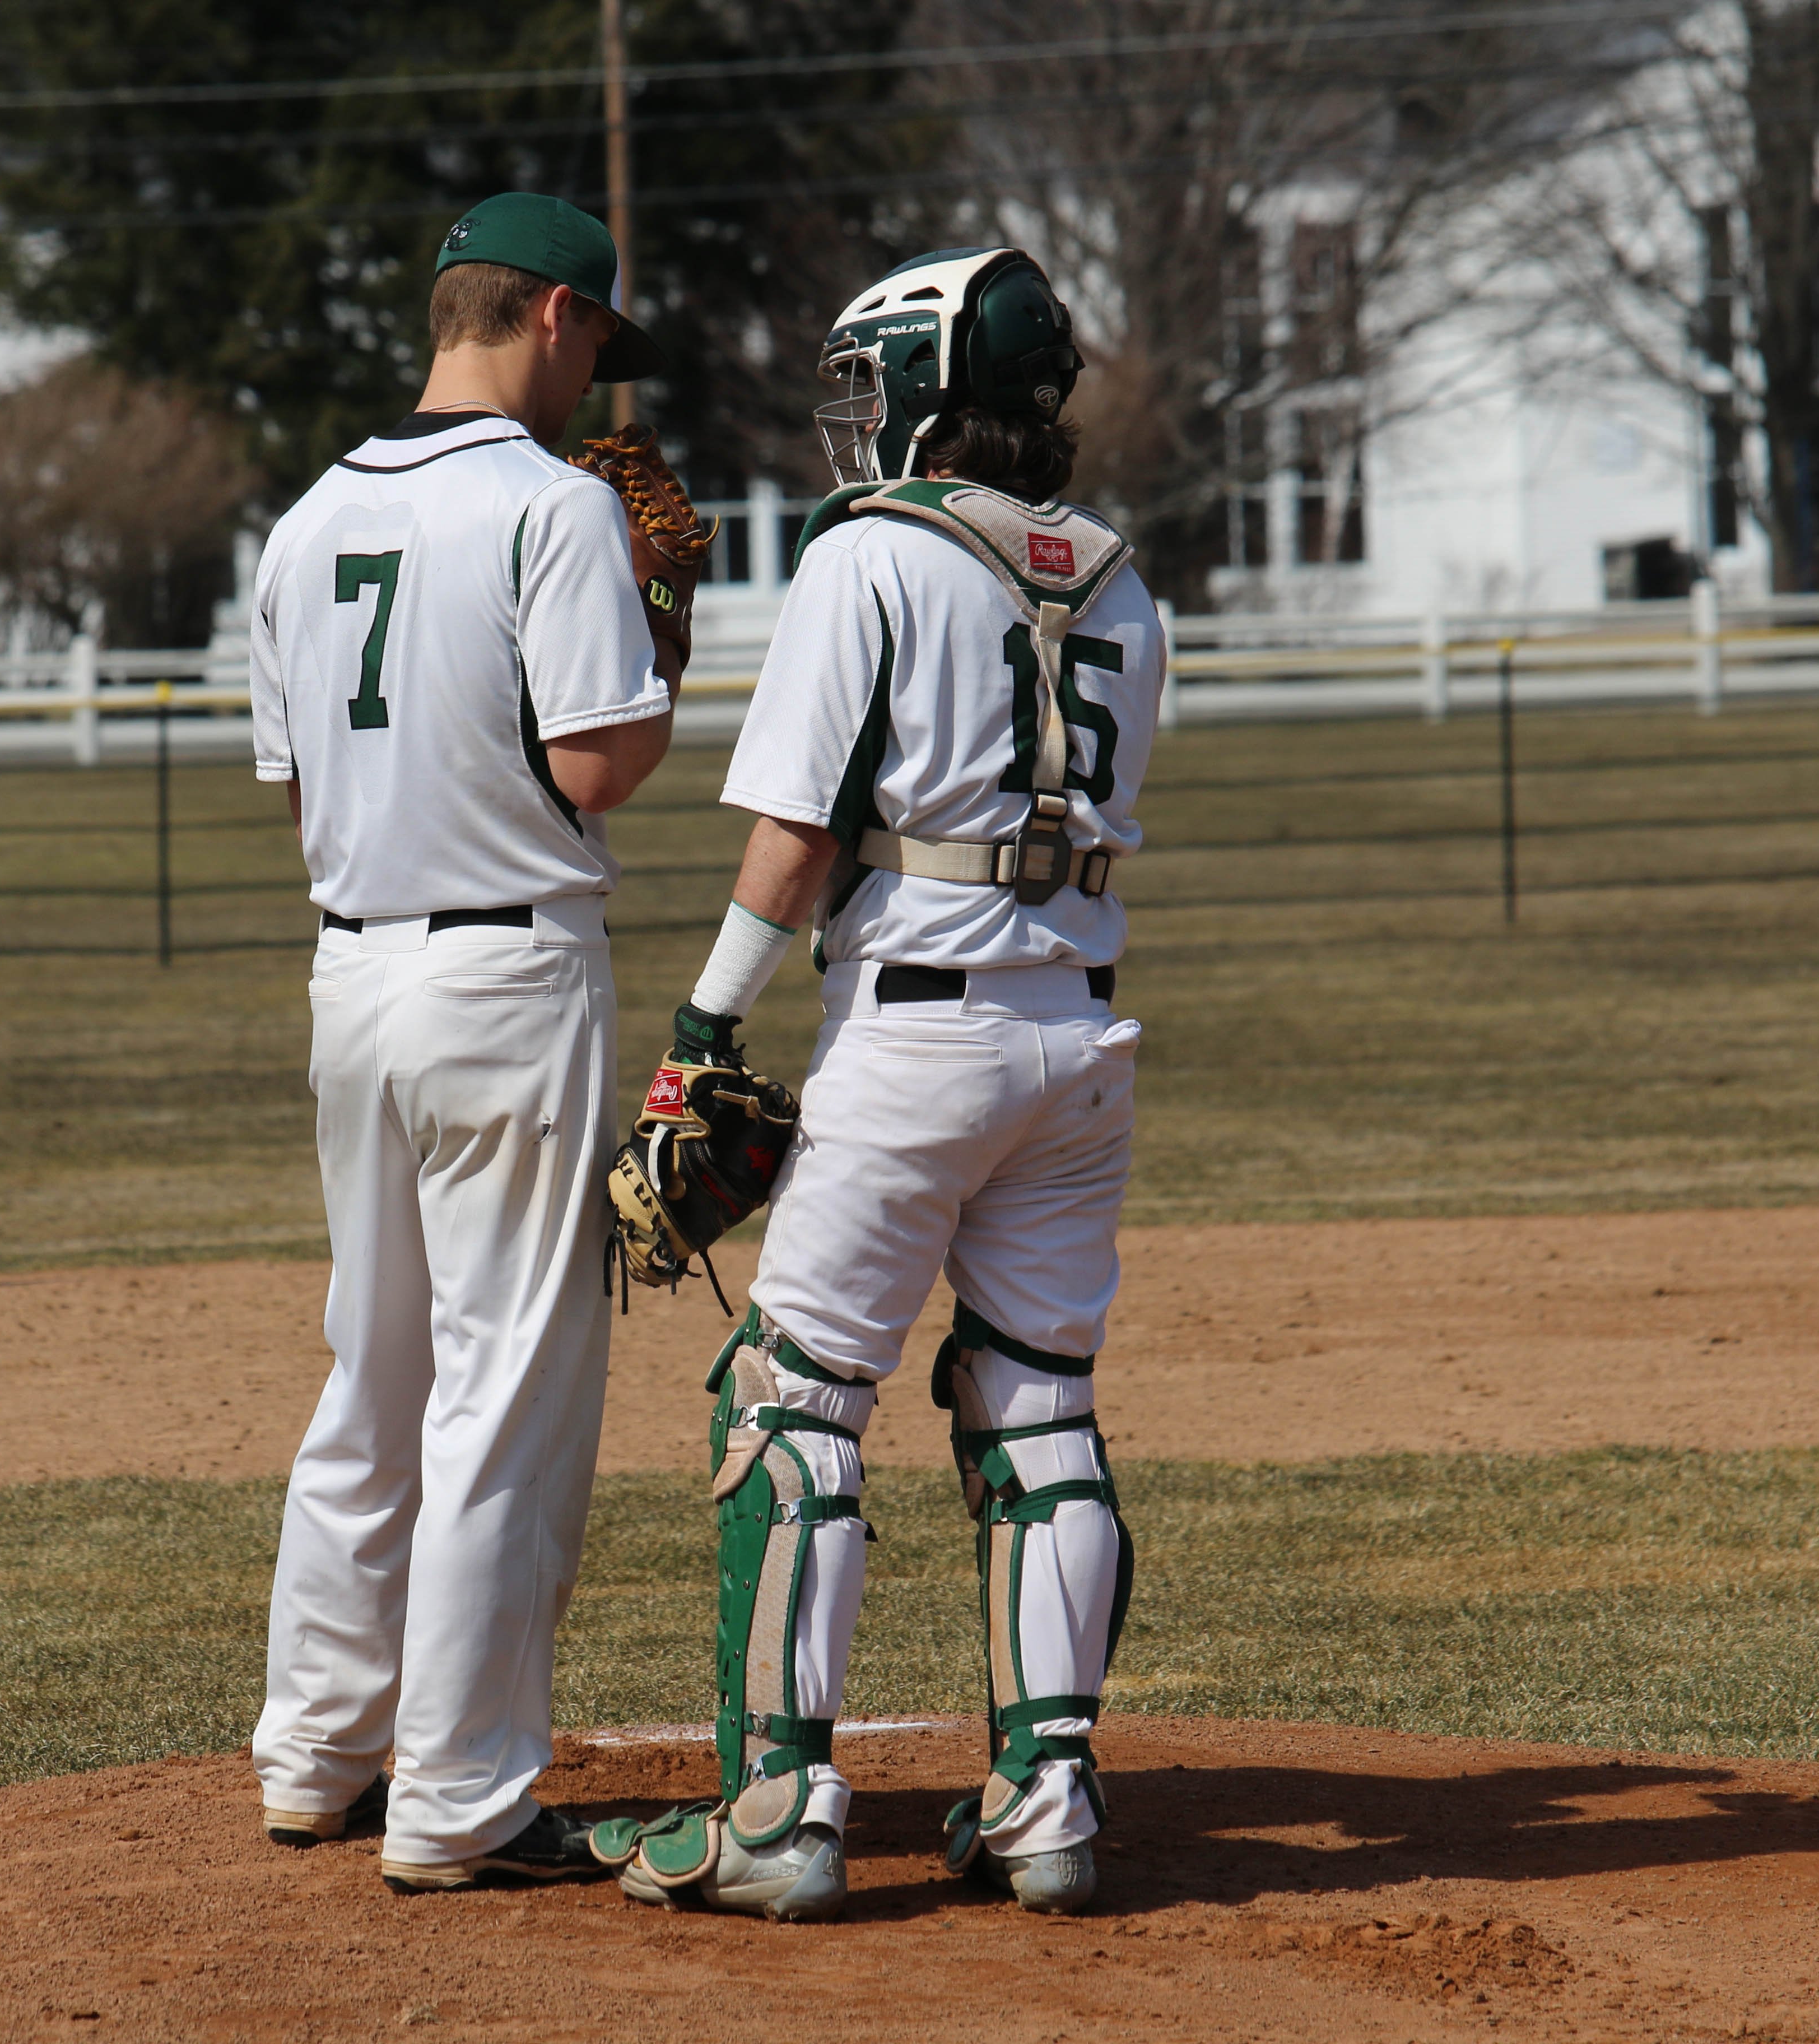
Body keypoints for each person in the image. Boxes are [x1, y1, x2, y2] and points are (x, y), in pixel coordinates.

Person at [596, 247, 1161, 1921]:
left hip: (918, 1031)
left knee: (791, 1401)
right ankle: (1049, 1800)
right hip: (1082, 1035)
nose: (853, 427)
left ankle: (779, 1811)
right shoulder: (1123, 579)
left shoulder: (872, 559)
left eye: (867, 390)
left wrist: (698, 1039)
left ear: (925, 392)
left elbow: (797, 837)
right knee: (1036, 1398)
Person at [247, 191, 688, 1894]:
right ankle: (461, 1797)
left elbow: (296, 787)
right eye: (597, 347)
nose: (600, 389)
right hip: (506, 979)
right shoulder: (550, 506)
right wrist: (655, 618)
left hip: (351, 981)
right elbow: (597, 767)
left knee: (377, 1369)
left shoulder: (300, 520)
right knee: (508, 1389)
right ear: (555, 316)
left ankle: (314, 1751)